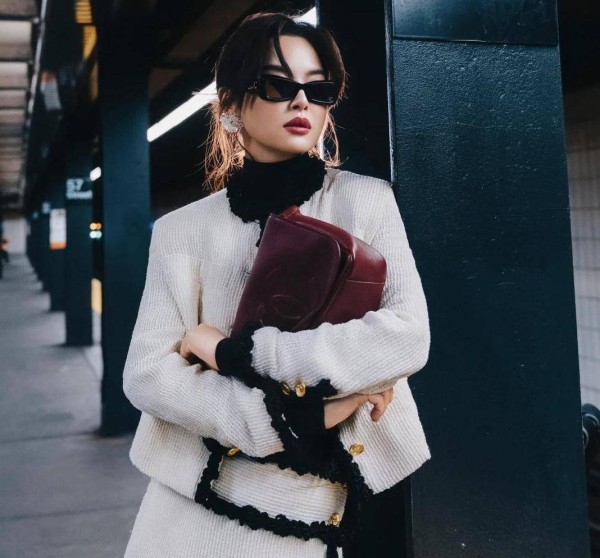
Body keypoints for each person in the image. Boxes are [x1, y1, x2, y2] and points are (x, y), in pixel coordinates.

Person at [122, 11, 431, 558]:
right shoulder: (181, 231)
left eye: (319, 88)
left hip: (312, 515)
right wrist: (289, 416)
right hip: (189, 516)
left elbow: (407, 335)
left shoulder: (367, 201)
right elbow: (147, 373)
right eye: (277, 85)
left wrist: (238, 354)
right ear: (231, 104)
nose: (301, 102)